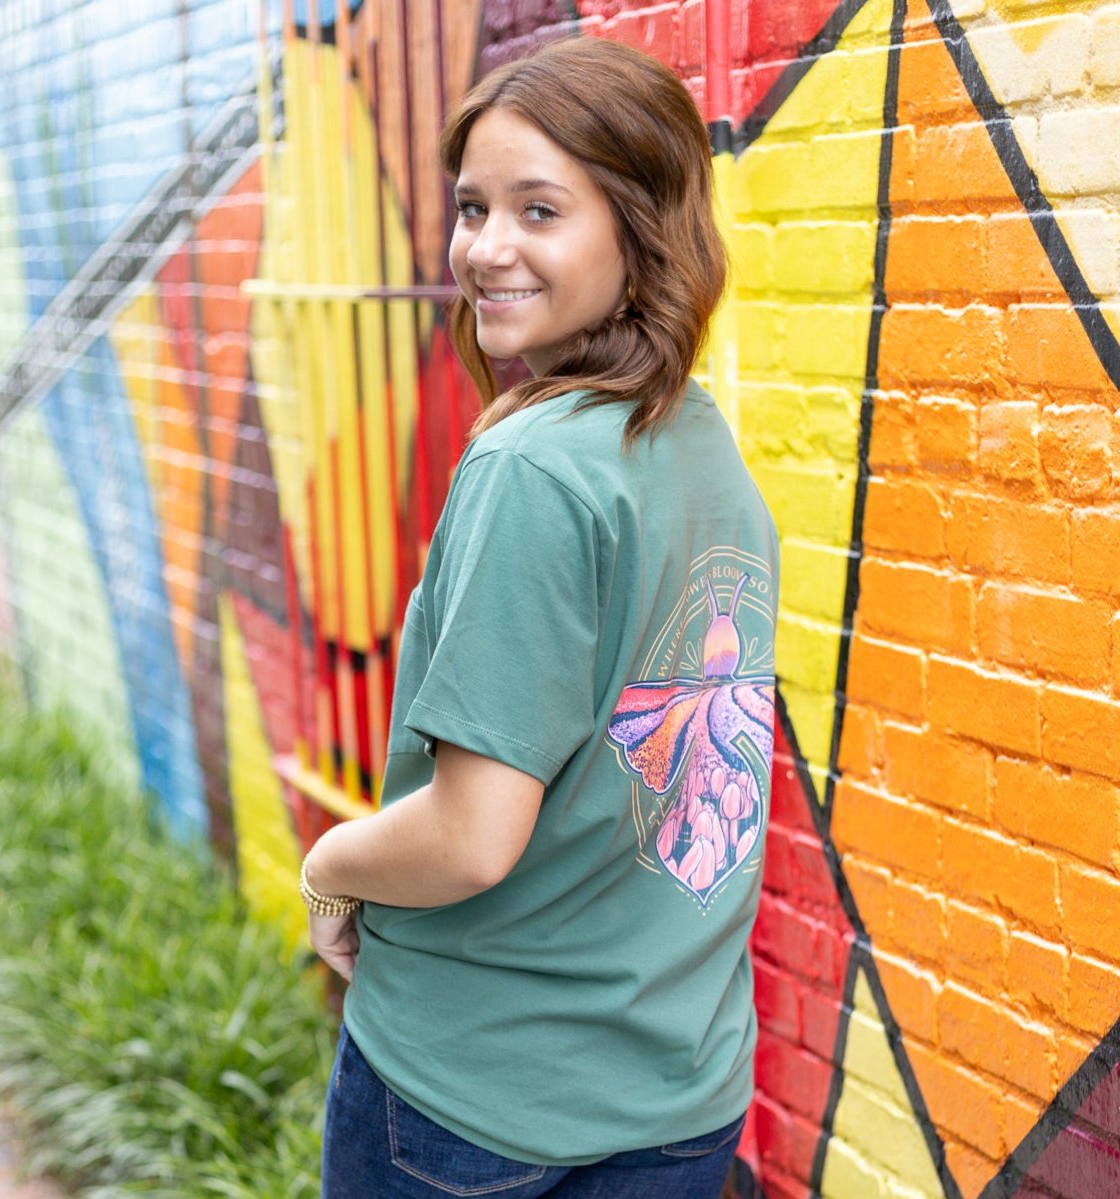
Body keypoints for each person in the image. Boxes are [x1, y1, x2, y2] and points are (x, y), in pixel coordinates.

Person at [300, 35, 779, 1199]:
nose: (486, 247)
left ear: (638, 226)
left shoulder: (534, 469)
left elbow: (469, 835)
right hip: (679, 1098)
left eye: (539, 209)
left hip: (477, 1100)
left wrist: (329, 863)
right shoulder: (701, 447)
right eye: (471, 207)